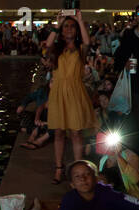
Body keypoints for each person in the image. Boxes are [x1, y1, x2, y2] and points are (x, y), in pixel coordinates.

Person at [40, 17, 100, 185]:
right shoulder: (56, 49)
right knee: (58, 132)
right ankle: (59, 168)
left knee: (76, 132)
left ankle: (78, 168)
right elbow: (47, 44)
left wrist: (80, 21)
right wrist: (57, 25)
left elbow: (87, 41)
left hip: (75, 92)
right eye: (66, 26)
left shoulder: (81, 49)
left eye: (72, 26)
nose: (69, 29)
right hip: (58, 92)